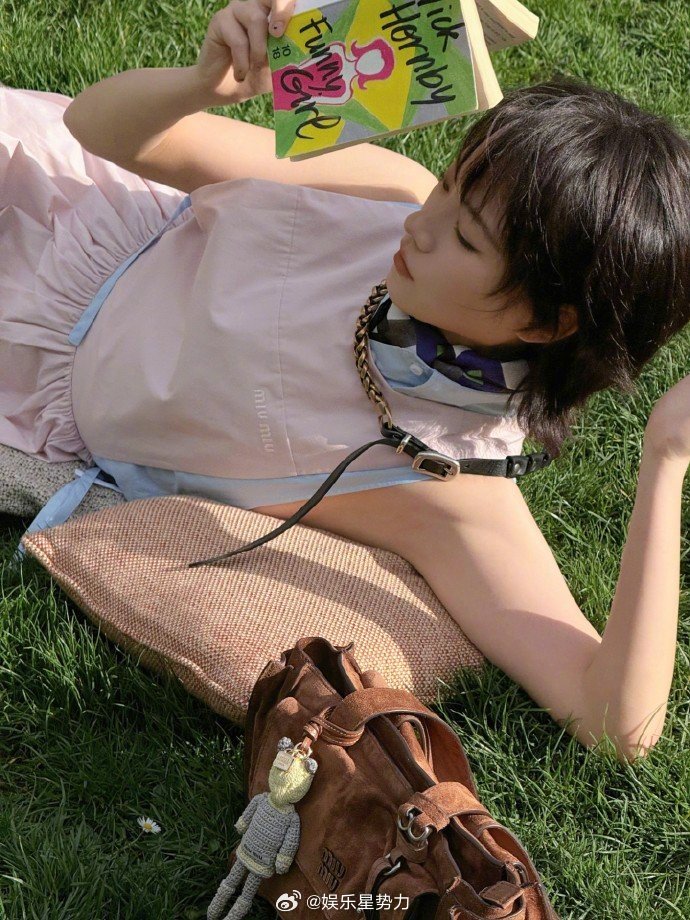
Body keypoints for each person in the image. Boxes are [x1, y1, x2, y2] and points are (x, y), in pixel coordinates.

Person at [2, 0, 689, 764]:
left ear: (547, 323)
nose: (421, 224)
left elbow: (616, 723)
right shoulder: (391, 194)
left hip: (23, 386)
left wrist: (665, 457)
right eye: (448, 186)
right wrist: (204, 84)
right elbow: (98, 128)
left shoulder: (449, 487)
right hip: (58, 208)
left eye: (465, 238)